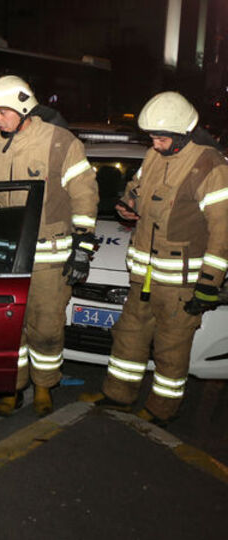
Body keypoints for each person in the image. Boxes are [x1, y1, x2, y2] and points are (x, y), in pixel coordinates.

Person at [81, 92, 228, 426]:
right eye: (152, 138)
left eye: (161, 138)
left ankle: (162, 410)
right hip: (143, 275)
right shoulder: (153, 155)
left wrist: (207, 286)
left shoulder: (211, 167)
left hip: (181, 285)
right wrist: (126, 204)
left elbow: (223, 233)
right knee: (128, 337)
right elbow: (136, 189)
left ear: (183, 134)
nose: (155, 143)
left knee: (170, 349)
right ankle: (118, 395)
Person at [0, 75, 98, 417]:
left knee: (45, 327)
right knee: (8, 329)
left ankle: (44, 387)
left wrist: (82, 245)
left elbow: (84, 193)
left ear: (22, 108)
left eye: (0, 112)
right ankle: (11, 389)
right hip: (5, 256)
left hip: (48, 257)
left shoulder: (60, 143)